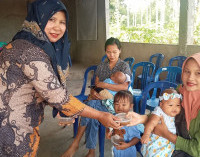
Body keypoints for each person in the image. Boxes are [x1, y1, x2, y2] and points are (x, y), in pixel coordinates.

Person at [0, 0, 120, 156]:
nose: (57, 27)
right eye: (51, 19)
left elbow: (46, 89)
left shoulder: (25, 43)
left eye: (62, 22)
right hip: (10, 125)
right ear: (38, 19)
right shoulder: (30, 53)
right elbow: (58, 96)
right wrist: (100, 115)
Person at [127, 52, 200, 157]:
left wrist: (166, 134)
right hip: (177, 145)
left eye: (199, 73)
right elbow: (166, 113)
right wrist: (141, 118)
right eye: (187, 71)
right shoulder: (182, 91)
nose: (190, 78)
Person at [62, 37, 131, 157]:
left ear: (120, 51)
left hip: (116, 105)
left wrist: (105, 84)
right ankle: (90, 151)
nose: (112, 55)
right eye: (109, 52)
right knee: (92, 111)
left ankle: (80, 145)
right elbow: (95, 85)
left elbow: (124, 87)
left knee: (89, 109)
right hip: (100, 101)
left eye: (115, 52)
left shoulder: (124, 66)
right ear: (105, 52)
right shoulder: (101, 66)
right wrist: (93, 92)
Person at [141, 88, 182, 157]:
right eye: (170, 105)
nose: (174, 108)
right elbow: (151, 123)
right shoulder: (160, 112)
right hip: (158, 139)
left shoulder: (178, 115)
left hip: (170, 141)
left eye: (178, 105)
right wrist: (146, 134)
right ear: (161, 105)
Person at [106, 90, 140, 157]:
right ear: (113, 105)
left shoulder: (131, 121)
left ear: (131, 106)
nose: (120, 107)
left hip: (129, 151)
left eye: (124, 104)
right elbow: (110, 131)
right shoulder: (113, 118)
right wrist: (108, 134)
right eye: (117, 104)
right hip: (116, 150)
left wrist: (128, 145)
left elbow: (137, 138)